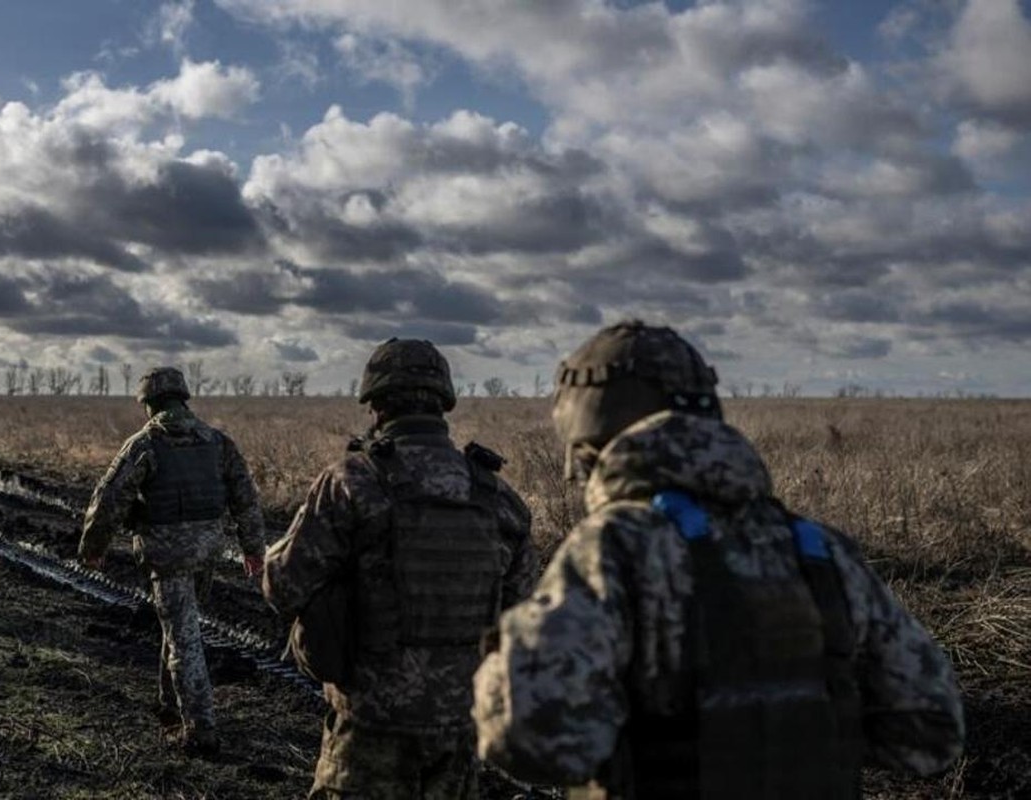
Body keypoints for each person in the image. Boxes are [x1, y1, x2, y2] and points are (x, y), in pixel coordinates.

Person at [472, 320, 965, 799]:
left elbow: (527, 734)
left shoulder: (616, 547)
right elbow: (929, 733)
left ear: (586, 437)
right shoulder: (818, 549)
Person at [264, 338, 539, 799]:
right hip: (458, 727)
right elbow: (525, 613)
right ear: (443, 403)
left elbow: (283, 587)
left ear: (376, 405)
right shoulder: (497, 497)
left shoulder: (352, 481)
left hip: (372, 723)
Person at [79, 366, 266, 756]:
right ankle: (168, 706)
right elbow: (246, 498)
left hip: (166, 557)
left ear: (148, 404)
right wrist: (253, 549)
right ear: (183, 399)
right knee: (179, 625)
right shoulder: (217, 442)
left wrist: (92, 549)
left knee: (184, 639)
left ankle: (200, 730)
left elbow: (109, 501)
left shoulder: (143, 445)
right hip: (208, 553)